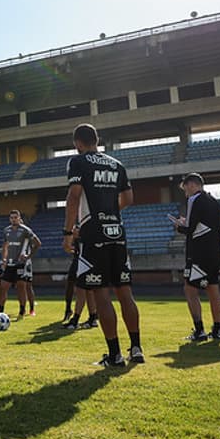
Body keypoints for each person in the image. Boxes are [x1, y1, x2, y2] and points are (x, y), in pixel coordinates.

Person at [63, 123, 143, 366]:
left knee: (100, 292)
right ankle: (137, 348)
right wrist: (109, 211)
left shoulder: (78, 162)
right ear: (96, 139)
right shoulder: (116, 164)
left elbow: (74, 196)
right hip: (117, 232)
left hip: (92, 232)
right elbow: (128, 198)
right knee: (124, 292)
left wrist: (68, 232)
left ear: (78, 142)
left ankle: (115, 354)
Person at [171, 172, 220, 342]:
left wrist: (179, 226)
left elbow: (190, 229)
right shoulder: (215, 202)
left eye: (185, 188)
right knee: (213, 287)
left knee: (189, 288)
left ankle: (199, 329)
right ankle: (218, 329)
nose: (185, 192)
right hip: (214, 250)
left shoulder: (194, 199)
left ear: (191, 184)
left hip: (198, 252)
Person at [0, 209, 42, 318]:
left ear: (19, 218)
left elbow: (37, 243)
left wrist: (28, 256)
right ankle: (0, 311)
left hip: (21, 263)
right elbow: (5, 246)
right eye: (11, 218)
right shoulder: (6, 230)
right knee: (3, 286)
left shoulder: (25, 230)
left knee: (22, 286)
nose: (13, 220)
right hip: (9, 263)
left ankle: (24, 310)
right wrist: (4, 259)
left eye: (15, 217)